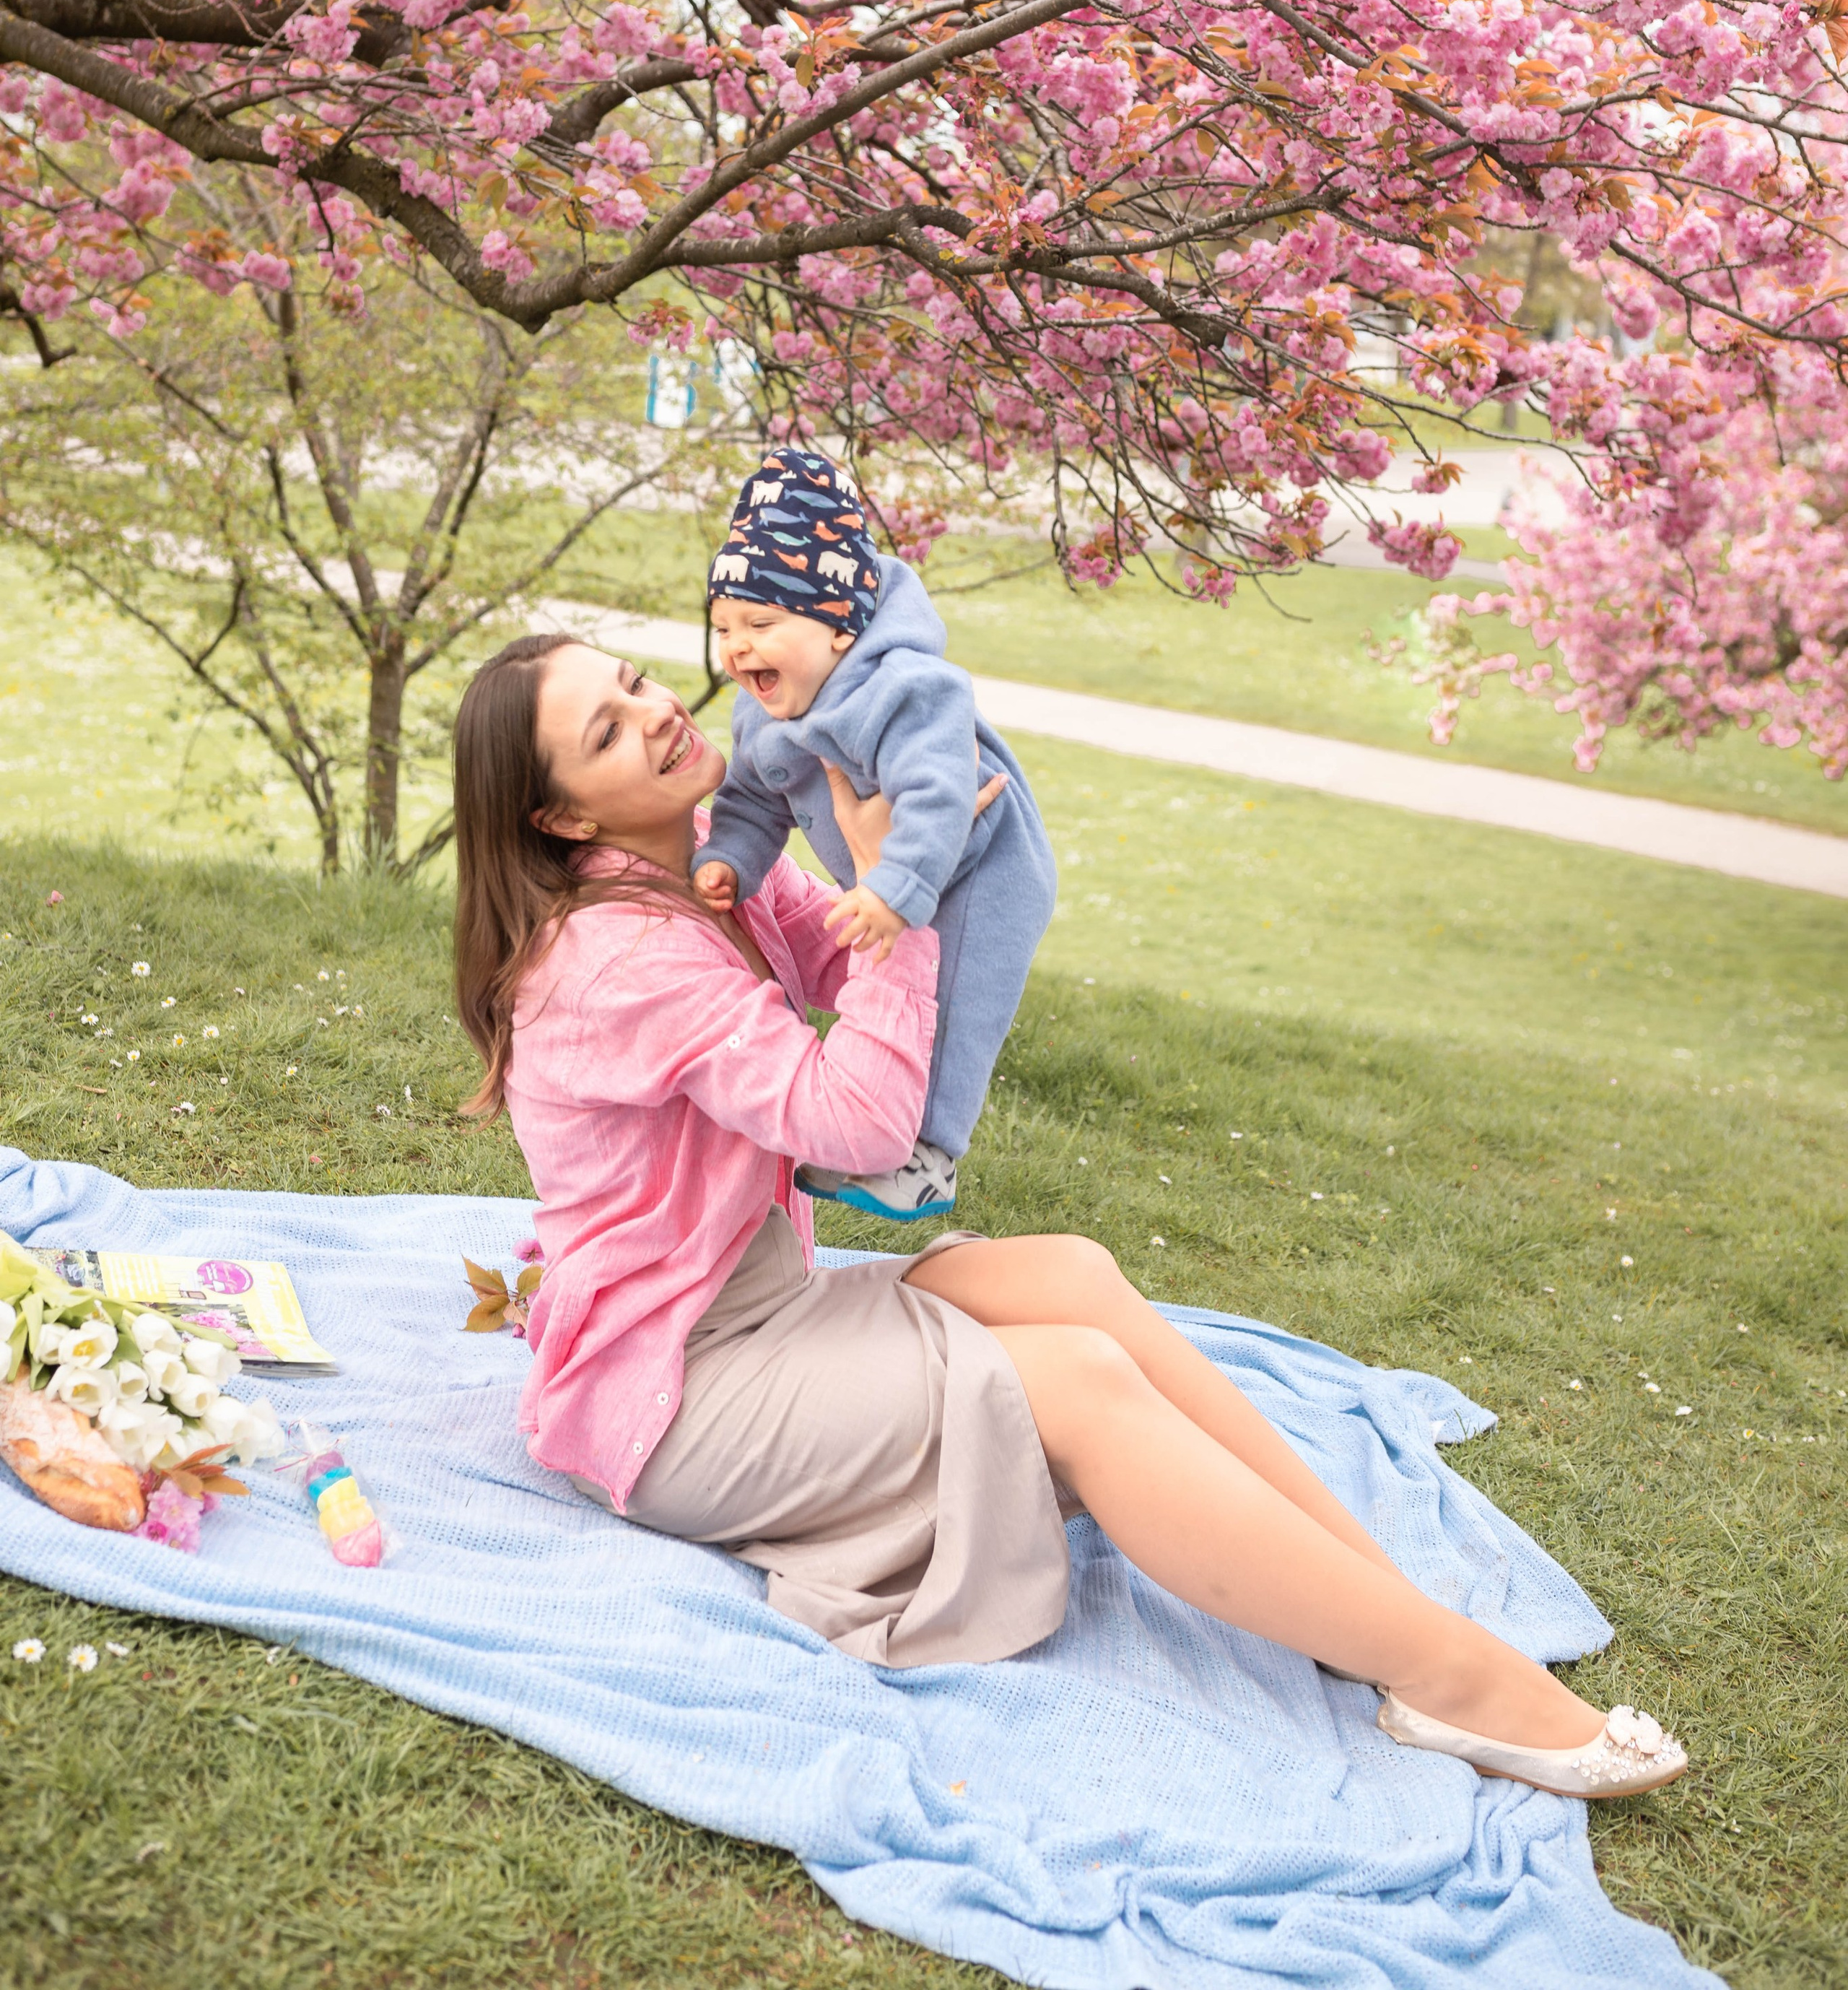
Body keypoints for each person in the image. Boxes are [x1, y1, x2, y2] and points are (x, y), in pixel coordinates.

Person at [449, 633, 1686, 1798]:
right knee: (1076, 1385)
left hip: (756, 1311)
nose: (659, 713)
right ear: (562, 816)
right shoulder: (619, 958)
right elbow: (861, 1120)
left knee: (1070, 1278)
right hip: (677, 1398)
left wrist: (916, 844)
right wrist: (899, 908)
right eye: (608, 731)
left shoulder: (710, 869)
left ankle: (1369, 1602)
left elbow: (851, 962)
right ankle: (1448, 1681)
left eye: (639, 684)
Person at [690, 446, 1057, 1223]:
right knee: (898, 988)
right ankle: (879, 1142)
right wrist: (729, 859)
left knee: (959, 1001)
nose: (737, 646)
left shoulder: (906, 689)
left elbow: (936, 791)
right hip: (892, 869)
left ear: (838, 631)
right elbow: (755, 798)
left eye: (759, 622)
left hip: (982, 860)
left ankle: (929, 1155)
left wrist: (893, 888)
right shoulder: (764, 710)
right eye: (722, 627)